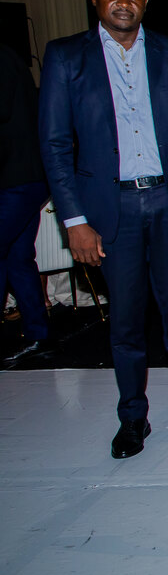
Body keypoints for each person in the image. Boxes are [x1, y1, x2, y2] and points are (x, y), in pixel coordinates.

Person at [38, 0, 168, 459]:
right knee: (125, 322)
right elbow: (55, 144)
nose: (124, 3)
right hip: (109, 207)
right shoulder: (65, 56)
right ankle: (133, 417)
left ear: (146, 2)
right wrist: (74, 221)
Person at [0, 43, 53, 364]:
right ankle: (39, 335)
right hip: (26, 176)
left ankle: (39, 332)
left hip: (17, 177)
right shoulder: (9, 56)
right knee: (17, 257)